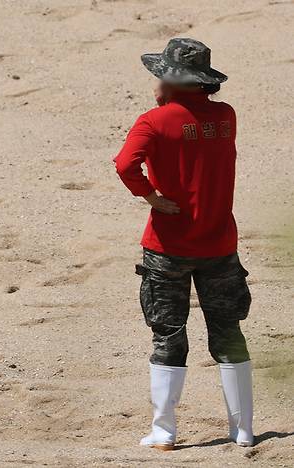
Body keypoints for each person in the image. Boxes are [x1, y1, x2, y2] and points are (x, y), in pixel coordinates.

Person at [114, 38, 254, 450]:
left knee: (168, 334)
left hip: (168, 245)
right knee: (228, 331)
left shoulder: (153, 122)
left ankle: (164, 431)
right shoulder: (226, 116)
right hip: (219, 243)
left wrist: (152, 196)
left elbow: (125, 164)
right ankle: (242, 429)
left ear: (172, 80)